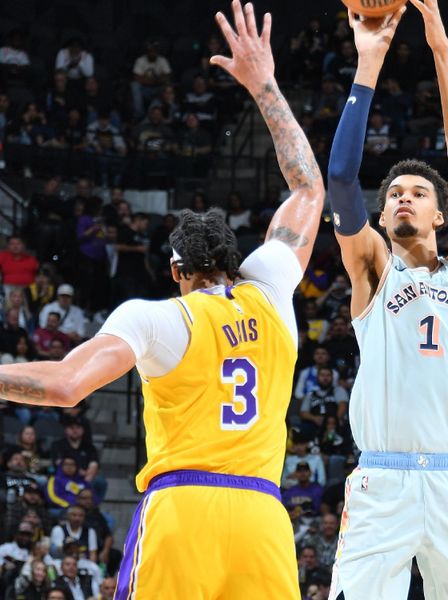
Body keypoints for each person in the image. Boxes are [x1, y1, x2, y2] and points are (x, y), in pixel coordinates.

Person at [0, 4, 325, 597]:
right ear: (236, 261)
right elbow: (307, 185)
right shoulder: (273, 289)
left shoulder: (152, 318)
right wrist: (265, 85)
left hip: (183, 509)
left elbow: (65, 387)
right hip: (262, 516)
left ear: (175, 268)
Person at [324, 3, 448, 597]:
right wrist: (368, 63)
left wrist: (442, 52)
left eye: (418, 192)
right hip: (383, 483)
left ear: (440, 212)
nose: (403, 198)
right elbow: (342, 178)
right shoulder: (372, 267)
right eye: (395, 192)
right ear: (382, 212)